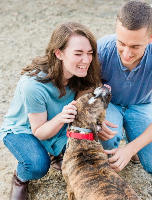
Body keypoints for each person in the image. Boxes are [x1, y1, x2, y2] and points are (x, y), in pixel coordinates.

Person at [0, 22, 101, 200]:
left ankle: (57, 153)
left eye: (90, 53)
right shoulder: (33, 85)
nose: (86, 60)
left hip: (57, 122)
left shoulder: (80, 73)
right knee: (37, 165)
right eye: (78, 53)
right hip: (25, 129)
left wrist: (96, 125)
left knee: (88, 145)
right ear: (58, 53)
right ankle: (20, 179)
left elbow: (81, 103)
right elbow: (39, 132)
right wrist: (62, 118)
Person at [97, 0, 152, 179]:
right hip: (109, 104)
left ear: (151, 37)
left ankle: (133, 142)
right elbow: (85, 91)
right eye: (121, 43)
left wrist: (130, 149)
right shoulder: (101, 48)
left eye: (135, 46)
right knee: (108, 139)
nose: (126, 53)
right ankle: (121, 137)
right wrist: (97, 118)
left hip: (140, 106)